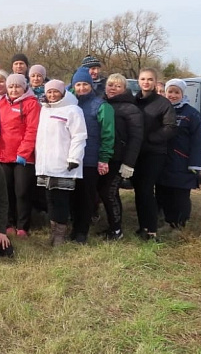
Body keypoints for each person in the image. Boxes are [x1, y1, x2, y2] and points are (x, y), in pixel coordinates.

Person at [34, 80, 87, 246]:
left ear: (63, 92)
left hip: (63, 163)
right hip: (45, 163)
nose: (52, 95)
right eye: (49, 92)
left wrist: (74, 158)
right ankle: (53, 231)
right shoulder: (44, 109)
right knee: (49, 199)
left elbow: (79, 135)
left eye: (55, 92)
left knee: (61, 199)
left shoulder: (73, 110)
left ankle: (60, 236)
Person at [71, 67, 115, 244]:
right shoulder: (70, 103)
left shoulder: (102, 106)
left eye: (85, 84)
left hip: (89, 158)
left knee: (87, 196)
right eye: (78, 85)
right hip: (72, 159)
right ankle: (74, 227)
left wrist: (103, 158)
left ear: (91, 85)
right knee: (73, 195)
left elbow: (108, 135)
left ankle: (82, 231)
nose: (81, 88)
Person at [157, 79, 201, 229]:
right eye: (170, 92)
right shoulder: (161, 111)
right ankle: (167, 220)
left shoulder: (191, 114)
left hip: (182, 162)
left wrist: (196, 163)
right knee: (164, 193)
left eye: (176, 92)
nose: (173, 95)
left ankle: (180, 223)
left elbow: (199, 140)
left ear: (182, 94)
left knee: (180, 195)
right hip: (163, 161)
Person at [133, 68, 177, 241]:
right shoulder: (134, 101)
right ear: (138, 81)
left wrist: (152, 137)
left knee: (146, 190)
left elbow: (171, 127)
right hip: (136, 153)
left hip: (154, 153)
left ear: (155, 81)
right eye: (143, 79)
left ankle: (151, 230)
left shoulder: (163, 103)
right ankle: (142, 225)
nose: (146, 82)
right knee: (138, 190)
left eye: (150, 79)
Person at [99, 74, 144, 240]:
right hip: (105, 158)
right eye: (110, 85)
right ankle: (111, 226)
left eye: (118, 86)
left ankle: (117, 230)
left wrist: (129, 163)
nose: (113, 88)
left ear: (124, 89)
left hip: (120, 158)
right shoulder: (102, 104)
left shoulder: (130, 109)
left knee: (109, 192)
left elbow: (136, 137)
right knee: (105, 193)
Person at [0, 73, 40, 237]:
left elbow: (32, 130)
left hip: (23, 157)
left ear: (24, 87)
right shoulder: (1, 103)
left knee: (22, 191)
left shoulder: (31, 104)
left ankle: (23, 226)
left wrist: (23, 152)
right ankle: (8, 222)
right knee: (6, 191)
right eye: (11, 87)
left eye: (17, 86)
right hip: (4, 155)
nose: (14, 90)